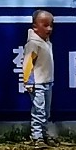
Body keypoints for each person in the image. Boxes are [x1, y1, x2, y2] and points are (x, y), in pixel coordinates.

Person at [21, 9, 55, 143]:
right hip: (37, 83)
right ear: (35, 27)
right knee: (39, 110)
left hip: (47, 82)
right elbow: (28, 63)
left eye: (51, 25)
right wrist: (28, 82)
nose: (49, 29)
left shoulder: (46, 42)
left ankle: (44, 134)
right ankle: (36, 136)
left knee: (46, 111)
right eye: (45, 25)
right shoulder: (33, 44)